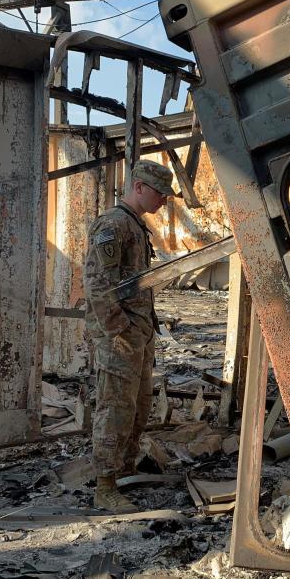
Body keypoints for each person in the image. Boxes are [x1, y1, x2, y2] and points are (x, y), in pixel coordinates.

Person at [84, 159, 174, 511]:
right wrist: (120, 331)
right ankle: (104, 486)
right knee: (115, 409)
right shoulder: (113, 225)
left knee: (138, 407)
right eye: (160, 193)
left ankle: (124, 470)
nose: (163, 201)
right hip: (119, 337)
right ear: (139, 187)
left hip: (137, 334)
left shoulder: (135, 226)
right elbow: (97, 286)